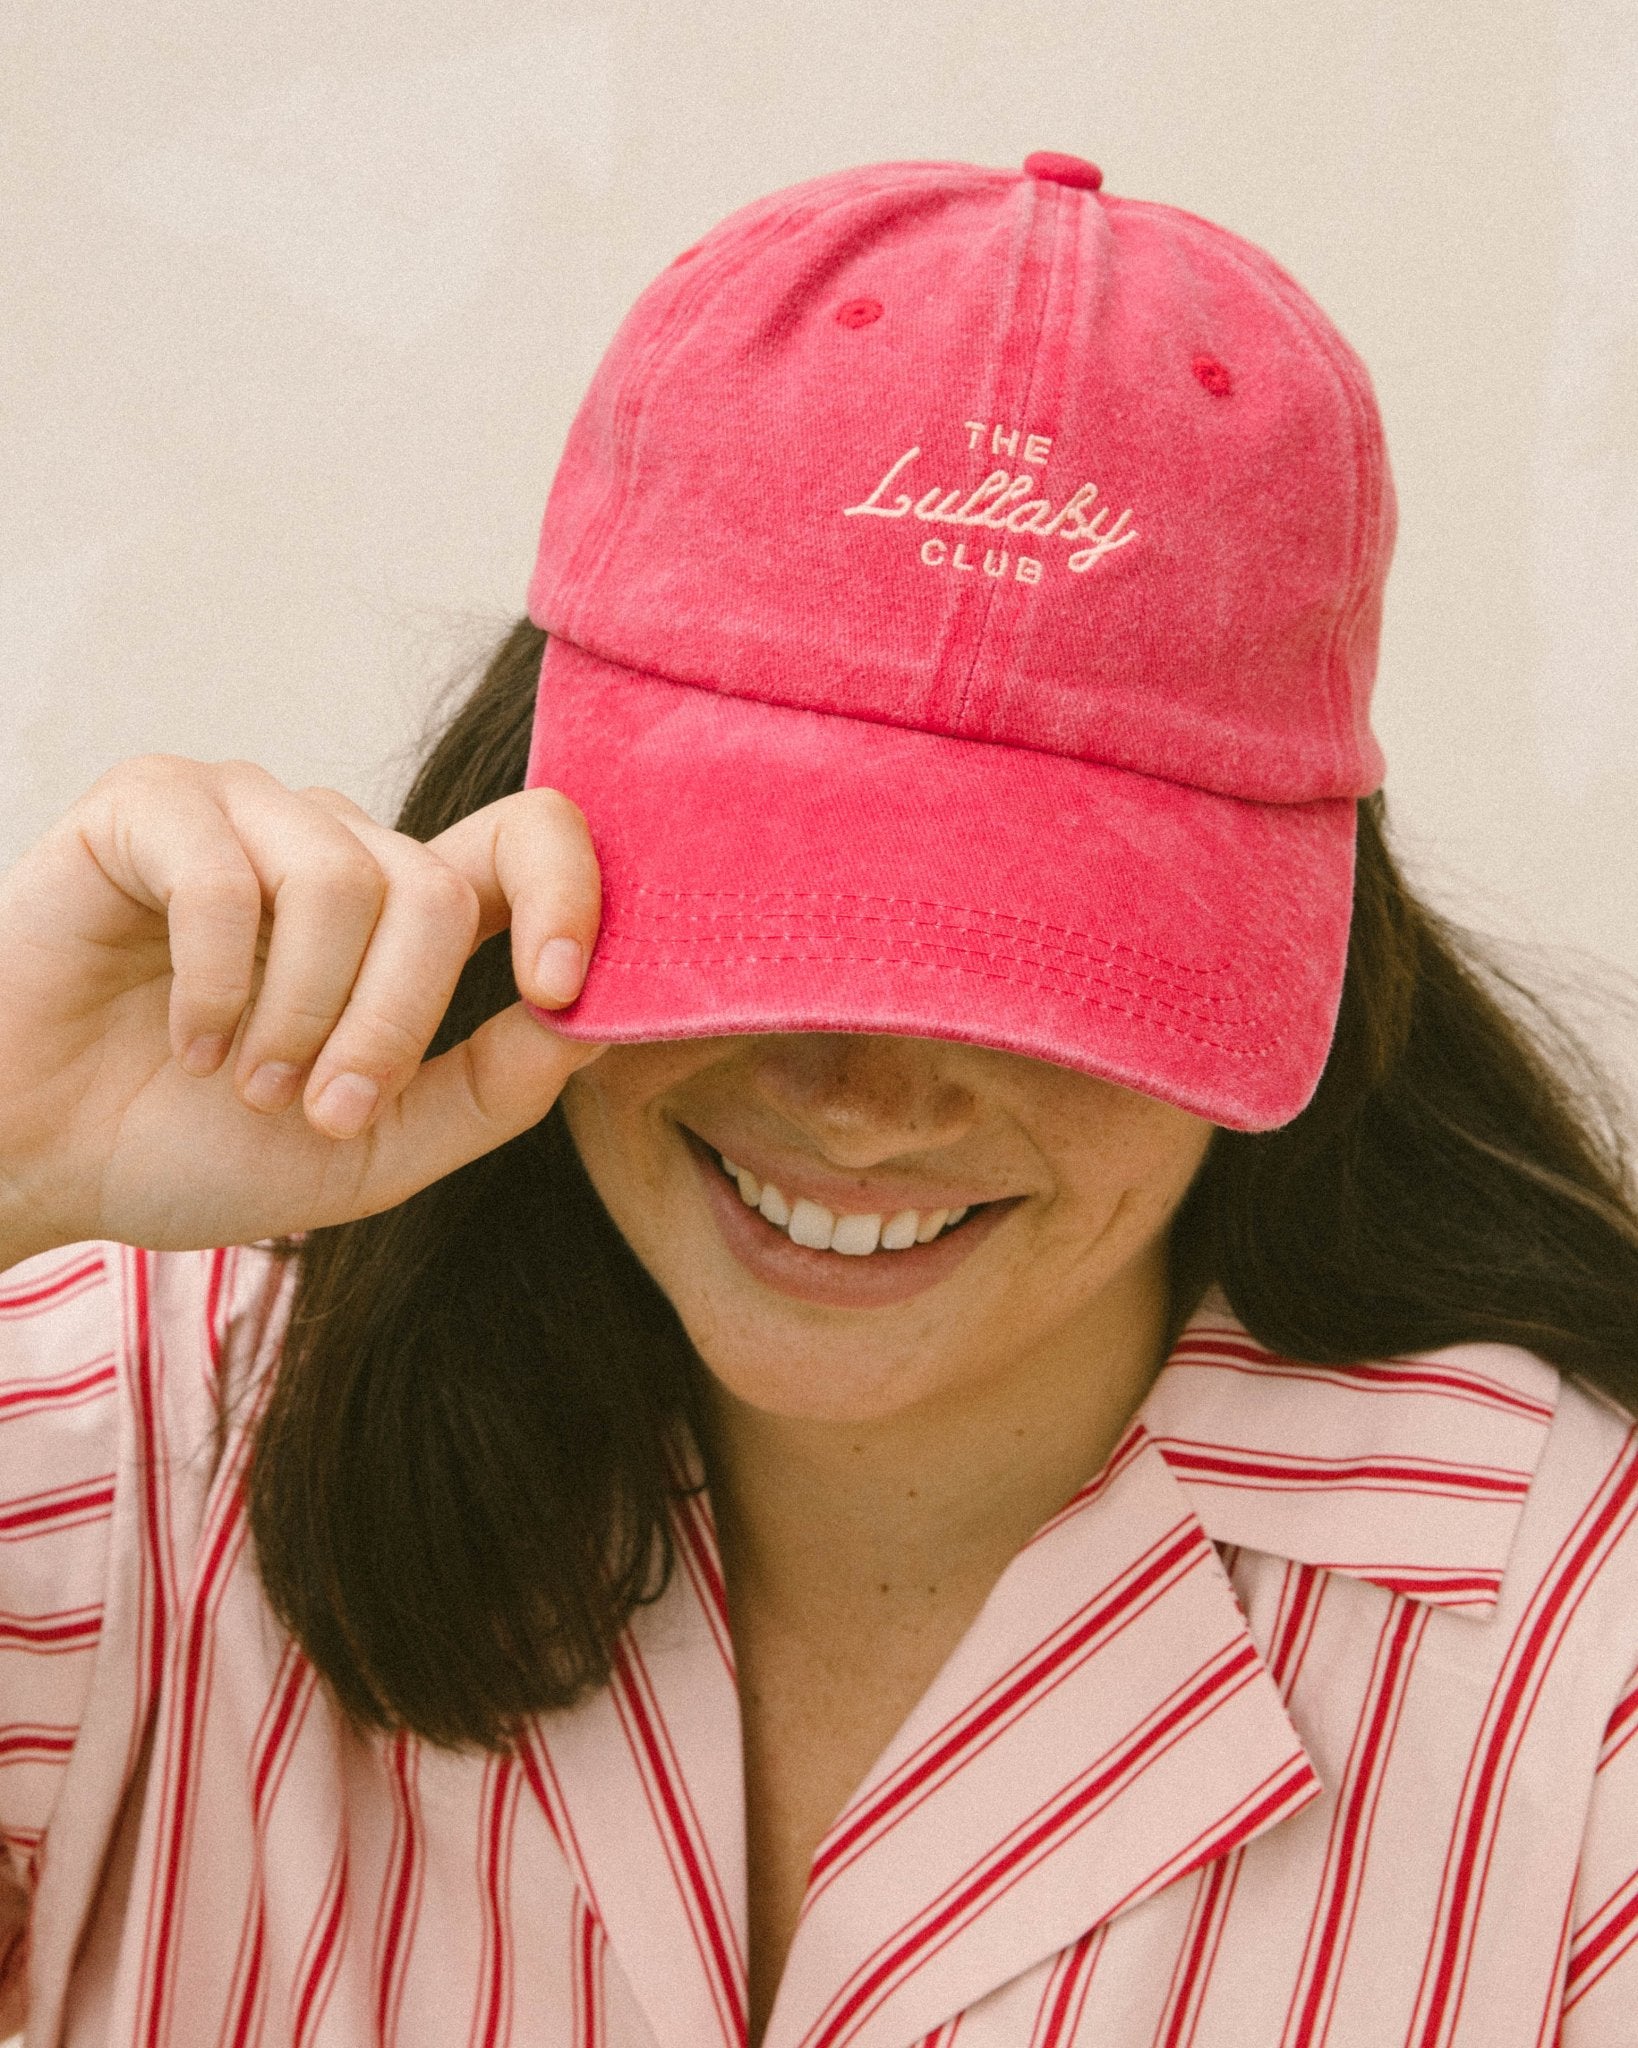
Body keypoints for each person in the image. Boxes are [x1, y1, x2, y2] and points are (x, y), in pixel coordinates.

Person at [1, 151, 1637, 2048]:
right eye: (772, 915)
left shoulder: (1580, 1668)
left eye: (1035, 965)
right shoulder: (126, 1440)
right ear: (523, 810)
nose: (865, 1105)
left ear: (1304, 939)